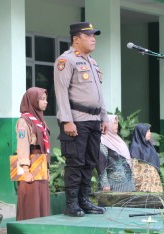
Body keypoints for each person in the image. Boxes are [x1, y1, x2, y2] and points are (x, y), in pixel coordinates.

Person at [54, 21, 109, 217]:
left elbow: (99, 93)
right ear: (76, 39)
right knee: (75, 162)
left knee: (90, 162)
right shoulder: (66, 60)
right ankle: (72, 204)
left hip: (94, 120)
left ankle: (84, 201)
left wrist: (104, 117)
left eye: (94, 35)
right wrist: (67, 120)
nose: (93, 39)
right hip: (77, 120)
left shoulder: (92, 62)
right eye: (89, 36)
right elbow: (61, 92)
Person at [15, 87, 51, 221]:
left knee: (42, 203)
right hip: (30, 168)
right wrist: (25, 170)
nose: (45, 102)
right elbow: (23, 145)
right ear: (32, 101)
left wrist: (46, 168)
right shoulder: (25, 121)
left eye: (46, 99)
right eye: (41, 99)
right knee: (31, 205)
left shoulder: (41, 121)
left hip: (40, 166)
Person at [98, 115, 135, 192]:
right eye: (114, 123)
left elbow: (127, 162)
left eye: (117, 123)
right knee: (112, 204)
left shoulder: (118, 140)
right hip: (113, 185)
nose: (116, 125)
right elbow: (101, 164)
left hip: (127, 183)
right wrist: (105, 184)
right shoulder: (103, 141)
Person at [129, 123, 163, 193]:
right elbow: (134, 166)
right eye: (147, 131)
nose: (150, 133)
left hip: (154, 181)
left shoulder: (149, 146)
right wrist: (137, 182)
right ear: (141, 132)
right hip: (143, 183)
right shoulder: (135, 147)